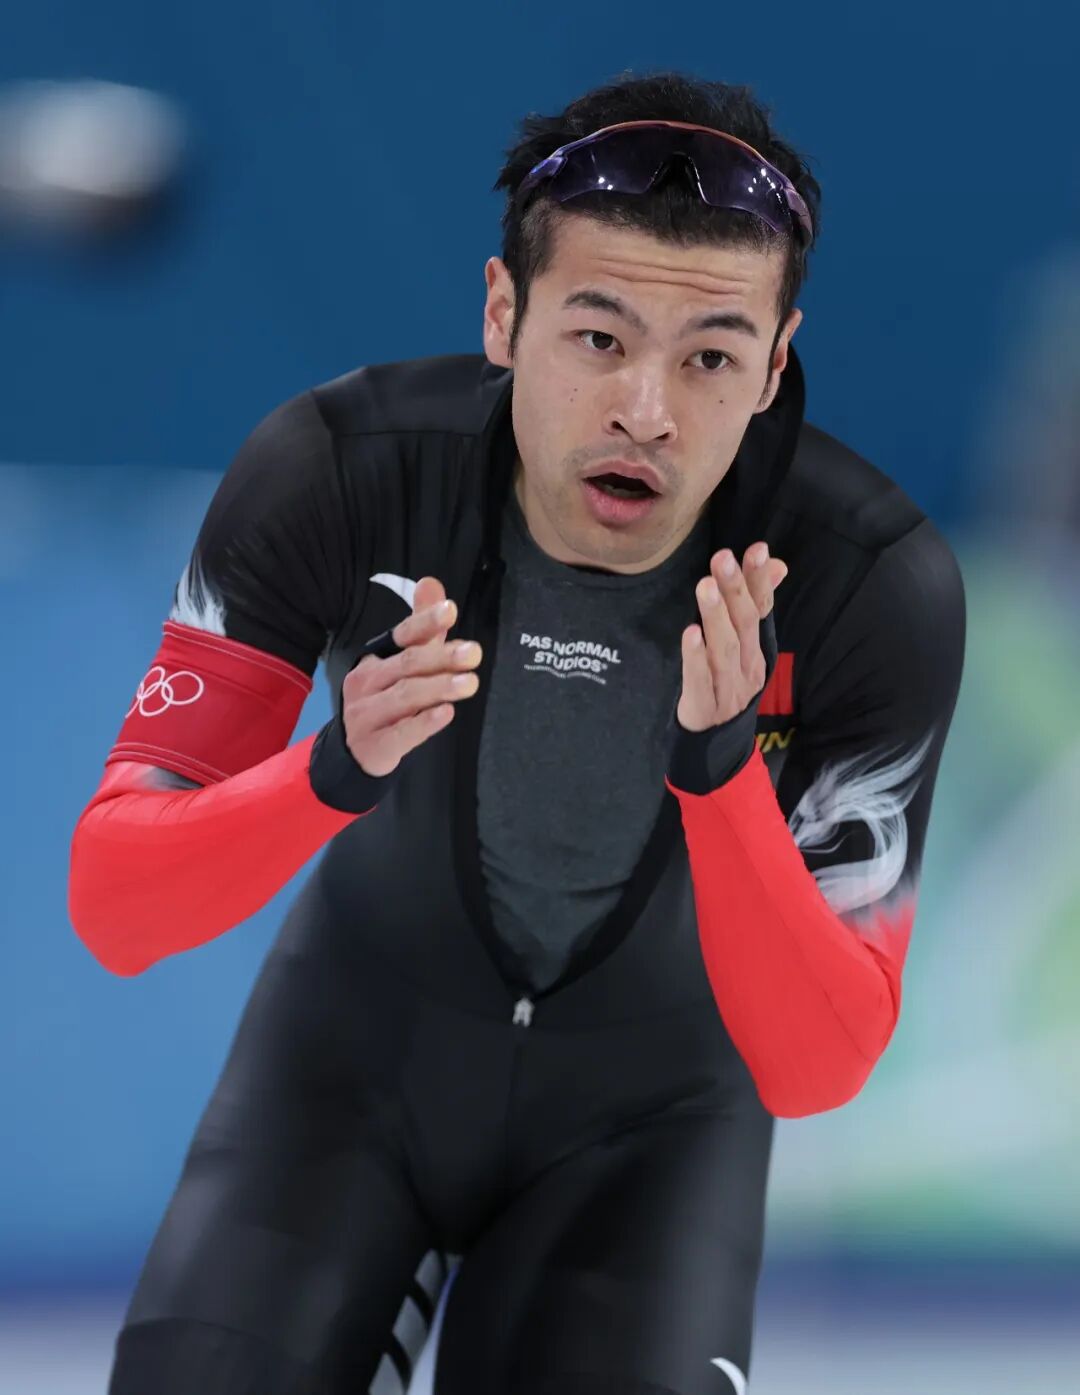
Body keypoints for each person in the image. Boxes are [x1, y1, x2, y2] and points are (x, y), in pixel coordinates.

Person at [67, 70, 966, 1395]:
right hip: (350, 1081)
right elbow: (115, 906)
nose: (647, 410)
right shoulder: (341, 472)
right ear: (504, 314)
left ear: (776, 366)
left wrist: (721, 773)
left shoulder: (865, 584)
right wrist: (329, 772)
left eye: (711, 357)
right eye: (599, 337)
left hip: (648, 1139)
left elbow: (817, 1066)